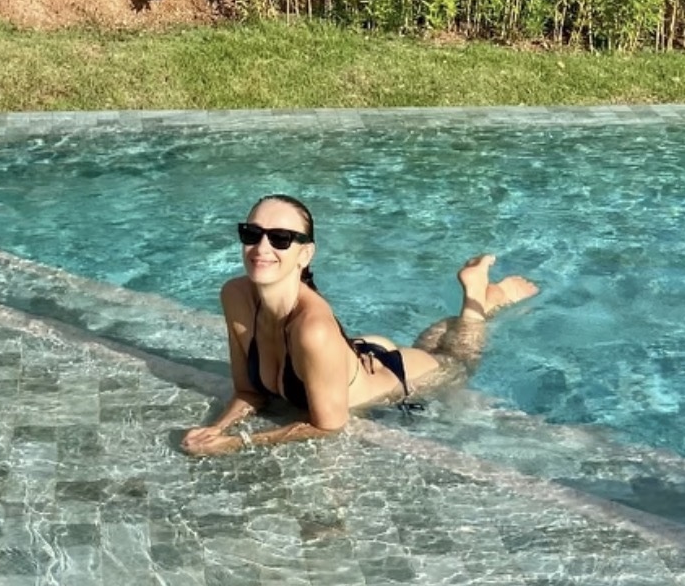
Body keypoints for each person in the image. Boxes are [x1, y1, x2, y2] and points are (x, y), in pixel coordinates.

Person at [181, 193, 538, 456]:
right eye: (252, 233)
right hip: (351, 356)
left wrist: (237, 443)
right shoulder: (235, 295)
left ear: (305, 254)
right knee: (439, 347)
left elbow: (328, 425)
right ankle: (479, 302)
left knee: (457, 362)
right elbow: (249, 392)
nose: (261, 247)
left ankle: (476, 301)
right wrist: (215, 428)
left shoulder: (312, 327)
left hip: (396, 377)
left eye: (280, 238)